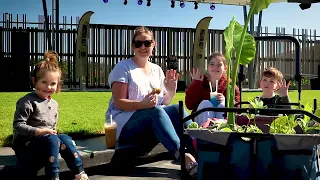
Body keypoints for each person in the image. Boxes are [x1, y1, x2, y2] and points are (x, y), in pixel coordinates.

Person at [106, 26, 198, 176]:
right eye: (138, 43)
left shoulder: (157, 70)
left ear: (153, 45)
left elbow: (163, 103)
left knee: (176, 109)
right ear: (133, 46)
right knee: (154, 111)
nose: (143, 47)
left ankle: (200, 149)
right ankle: (183, 156)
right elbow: (119, 102)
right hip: (123, 125)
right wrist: (142, 105)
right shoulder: (123, 68)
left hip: (149, 121)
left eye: (147, 43)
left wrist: (171, 89)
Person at [12, 51, 88, 180]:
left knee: (65, 138)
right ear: (34, 81)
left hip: (46, 143)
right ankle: (53, 176)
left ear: (58, 84)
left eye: (53, 84)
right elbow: (18, 126)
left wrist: (53, 135)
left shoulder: (54, 104)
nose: (48, 87)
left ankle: (79, 172)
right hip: (25, 145)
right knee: (53, 139)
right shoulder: (27, 102)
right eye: (44, 82)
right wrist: (39, 132)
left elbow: (52, 128)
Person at [185, 52, 240, 126]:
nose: (215, 68)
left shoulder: (230, 85)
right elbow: (189, 105)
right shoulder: (200, 82)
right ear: (207, 67)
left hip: (222, 122)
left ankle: (219, 132)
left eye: (219, 65)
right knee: (205, 103)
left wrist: (226, 101)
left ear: (225, 68)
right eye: (212, 64)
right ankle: (204, 132)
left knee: (222, 106)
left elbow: (238, 109)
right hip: (201, 120)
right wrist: (195, 83)